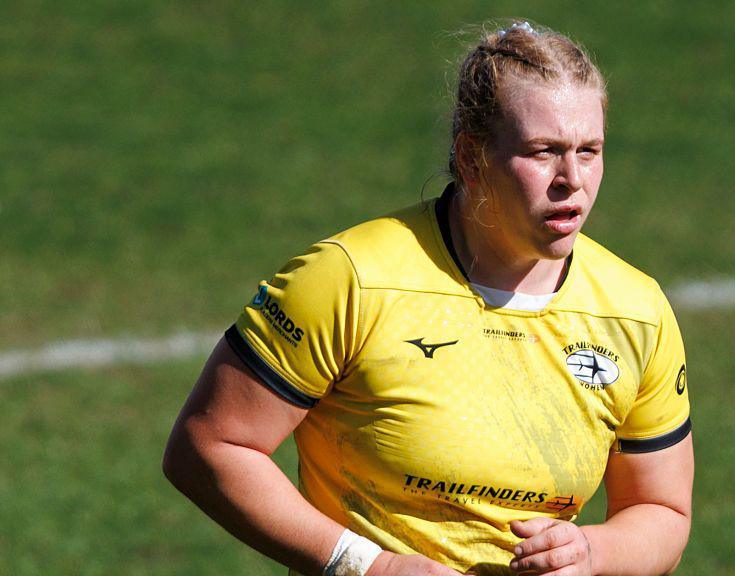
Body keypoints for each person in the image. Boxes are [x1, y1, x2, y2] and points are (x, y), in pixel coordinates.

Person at [164, 20, 694, 576]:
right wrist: (368, 566)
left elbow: (660, 510)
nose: (572, 179)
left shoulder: (636, 313)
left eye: (590, 151)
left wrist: (593, 553)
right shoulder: (350, 280)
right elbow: (209, 445)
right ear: (471, 158)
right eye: (543, 152)